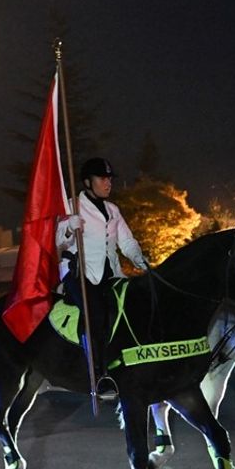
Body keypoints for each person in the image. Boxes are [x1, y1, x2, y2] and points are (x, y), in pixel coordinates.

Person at [56, 157, 149, 391]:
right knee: (96, 314)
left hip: (111, 273)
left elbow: (127, 242)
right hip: (79, 272)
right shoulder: (72, 206)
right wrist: (69, 227)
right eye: (103, 179)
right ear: (88, 182)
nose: (108, 183)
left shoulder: (113, 210)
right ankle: (98, 372)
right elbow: (58, 242)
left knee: (133, 307)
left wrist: (143, 263)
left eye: (109, 179)